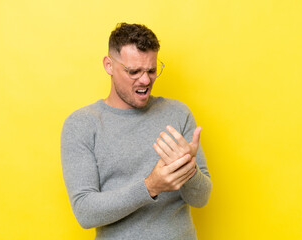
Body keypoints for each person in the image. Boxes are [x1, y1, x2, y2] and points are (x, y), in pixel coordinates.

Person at [61, 23, 212, 240]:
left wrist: (189, 169)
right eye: (134, 71)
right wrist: (150, 186)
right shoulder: (82, 125)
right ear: (109, 65)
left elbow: (201, 199)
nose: (145, 80)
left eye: (151, 70)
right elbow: (85, 212)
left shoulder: (178, 113)